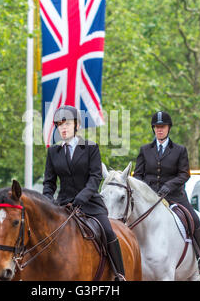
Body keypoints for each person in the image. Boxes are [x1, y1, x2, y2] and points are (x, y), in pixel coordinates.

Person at [42, 105, 126, 281]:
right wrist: (47, 200)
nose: (63, 128)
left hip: (90, 203)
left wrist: (81, 198)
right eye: (59, 125)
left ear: (77, 125)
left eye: (67, 124)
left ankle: (119, 273)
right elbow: (49, 182)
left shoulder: (90, 148)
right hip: (63, 204)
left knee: (108, 232)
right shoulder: (53, 151)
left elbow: (95, 177)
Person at [133, 110, 200, 274]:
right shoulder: (145, 150)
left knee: (194, 219)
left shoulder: (179, 150)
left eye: (163, 127)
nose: (159, 130)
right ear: (153, 129)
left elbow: (184, 174)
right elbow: (138, 175)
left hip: (174, 196)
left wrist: (169, 186)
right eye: (156, 127)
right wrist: (147, 189)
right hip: (150, 198)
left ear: (169, 128)